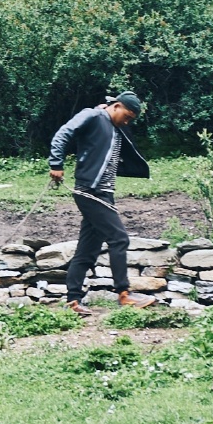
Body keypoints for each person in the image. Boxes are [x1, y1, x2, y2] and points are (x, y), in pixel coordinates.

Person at [48, 91, 155, 320]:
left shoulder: (116, 126)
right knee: (119, 239)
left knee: (88, 250)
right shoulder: (93, 116)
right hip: (89, 190)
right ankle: (124, 294)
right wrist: (56, 163)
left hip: (105, 193)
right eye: (126, 116)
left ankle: (73, 300)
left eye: (131, 120)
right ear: (116, 106)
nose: (127, 122)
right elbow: (63, 133)